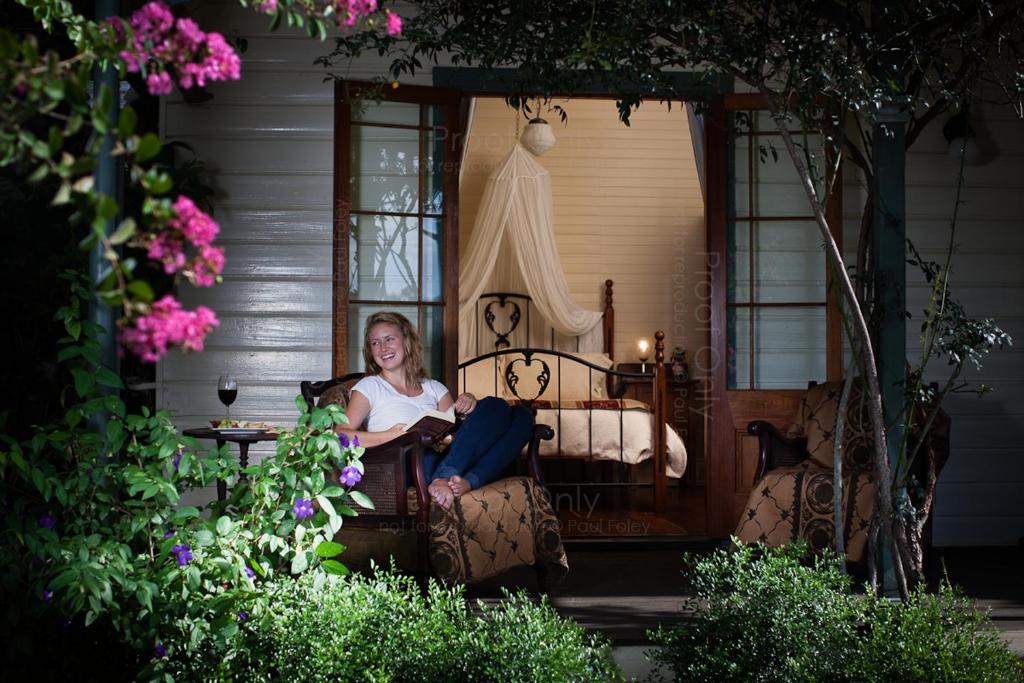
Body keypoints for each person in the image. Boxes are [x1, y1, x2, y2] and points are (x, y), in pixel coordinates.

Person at [337, 311, 535, 510]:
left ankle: (465, 481)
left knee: (516, 413)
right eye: (375, 343)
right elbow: (340, 435)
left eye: (389, 339)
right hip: (406, 463)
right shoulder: (369, 386)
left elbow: (457, 434)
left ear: (407, 341)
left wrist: (469, 406)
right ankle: (448, 477)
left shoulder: (434, 387)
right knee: (493, 412)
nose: (382, 348)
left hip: (444, 456)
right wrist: (390, 436)